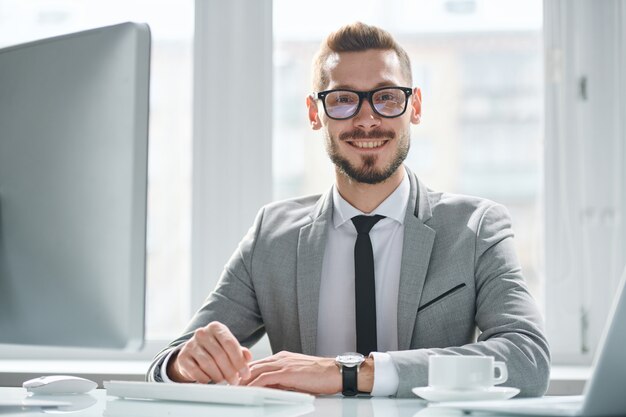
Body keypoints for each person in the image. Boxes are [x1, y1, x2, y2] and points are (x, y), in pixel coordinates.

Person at [147, 22, 550, 398]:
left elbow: (527, 359)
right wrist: (185, 364)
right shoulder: (272, 235)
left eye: (387, 97)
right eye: (343, 100)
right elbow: (165, 367)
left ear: (415, 106)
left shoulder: (475, 228)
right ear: (313, 113)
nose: (367, 119)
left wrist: (352, 373)